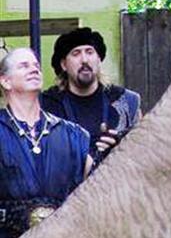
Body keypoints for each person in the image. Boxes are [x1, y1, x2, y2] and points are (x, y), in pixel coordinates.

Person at [0, 48, 91, 238]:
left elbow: (94, 193)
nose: (34, 70)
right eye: (24, 66)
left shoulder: (74, 135)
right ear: (5, 81)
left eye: (36, 67)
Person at [41, 27, 141, 161]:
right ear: (64, 64)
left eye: (89, 52)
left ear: (99, 59)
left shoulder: (127, 101)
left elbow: (142, 153)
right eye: (76, 53)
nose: (84, 60)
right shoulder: (46, 104)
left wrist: (121, 148)